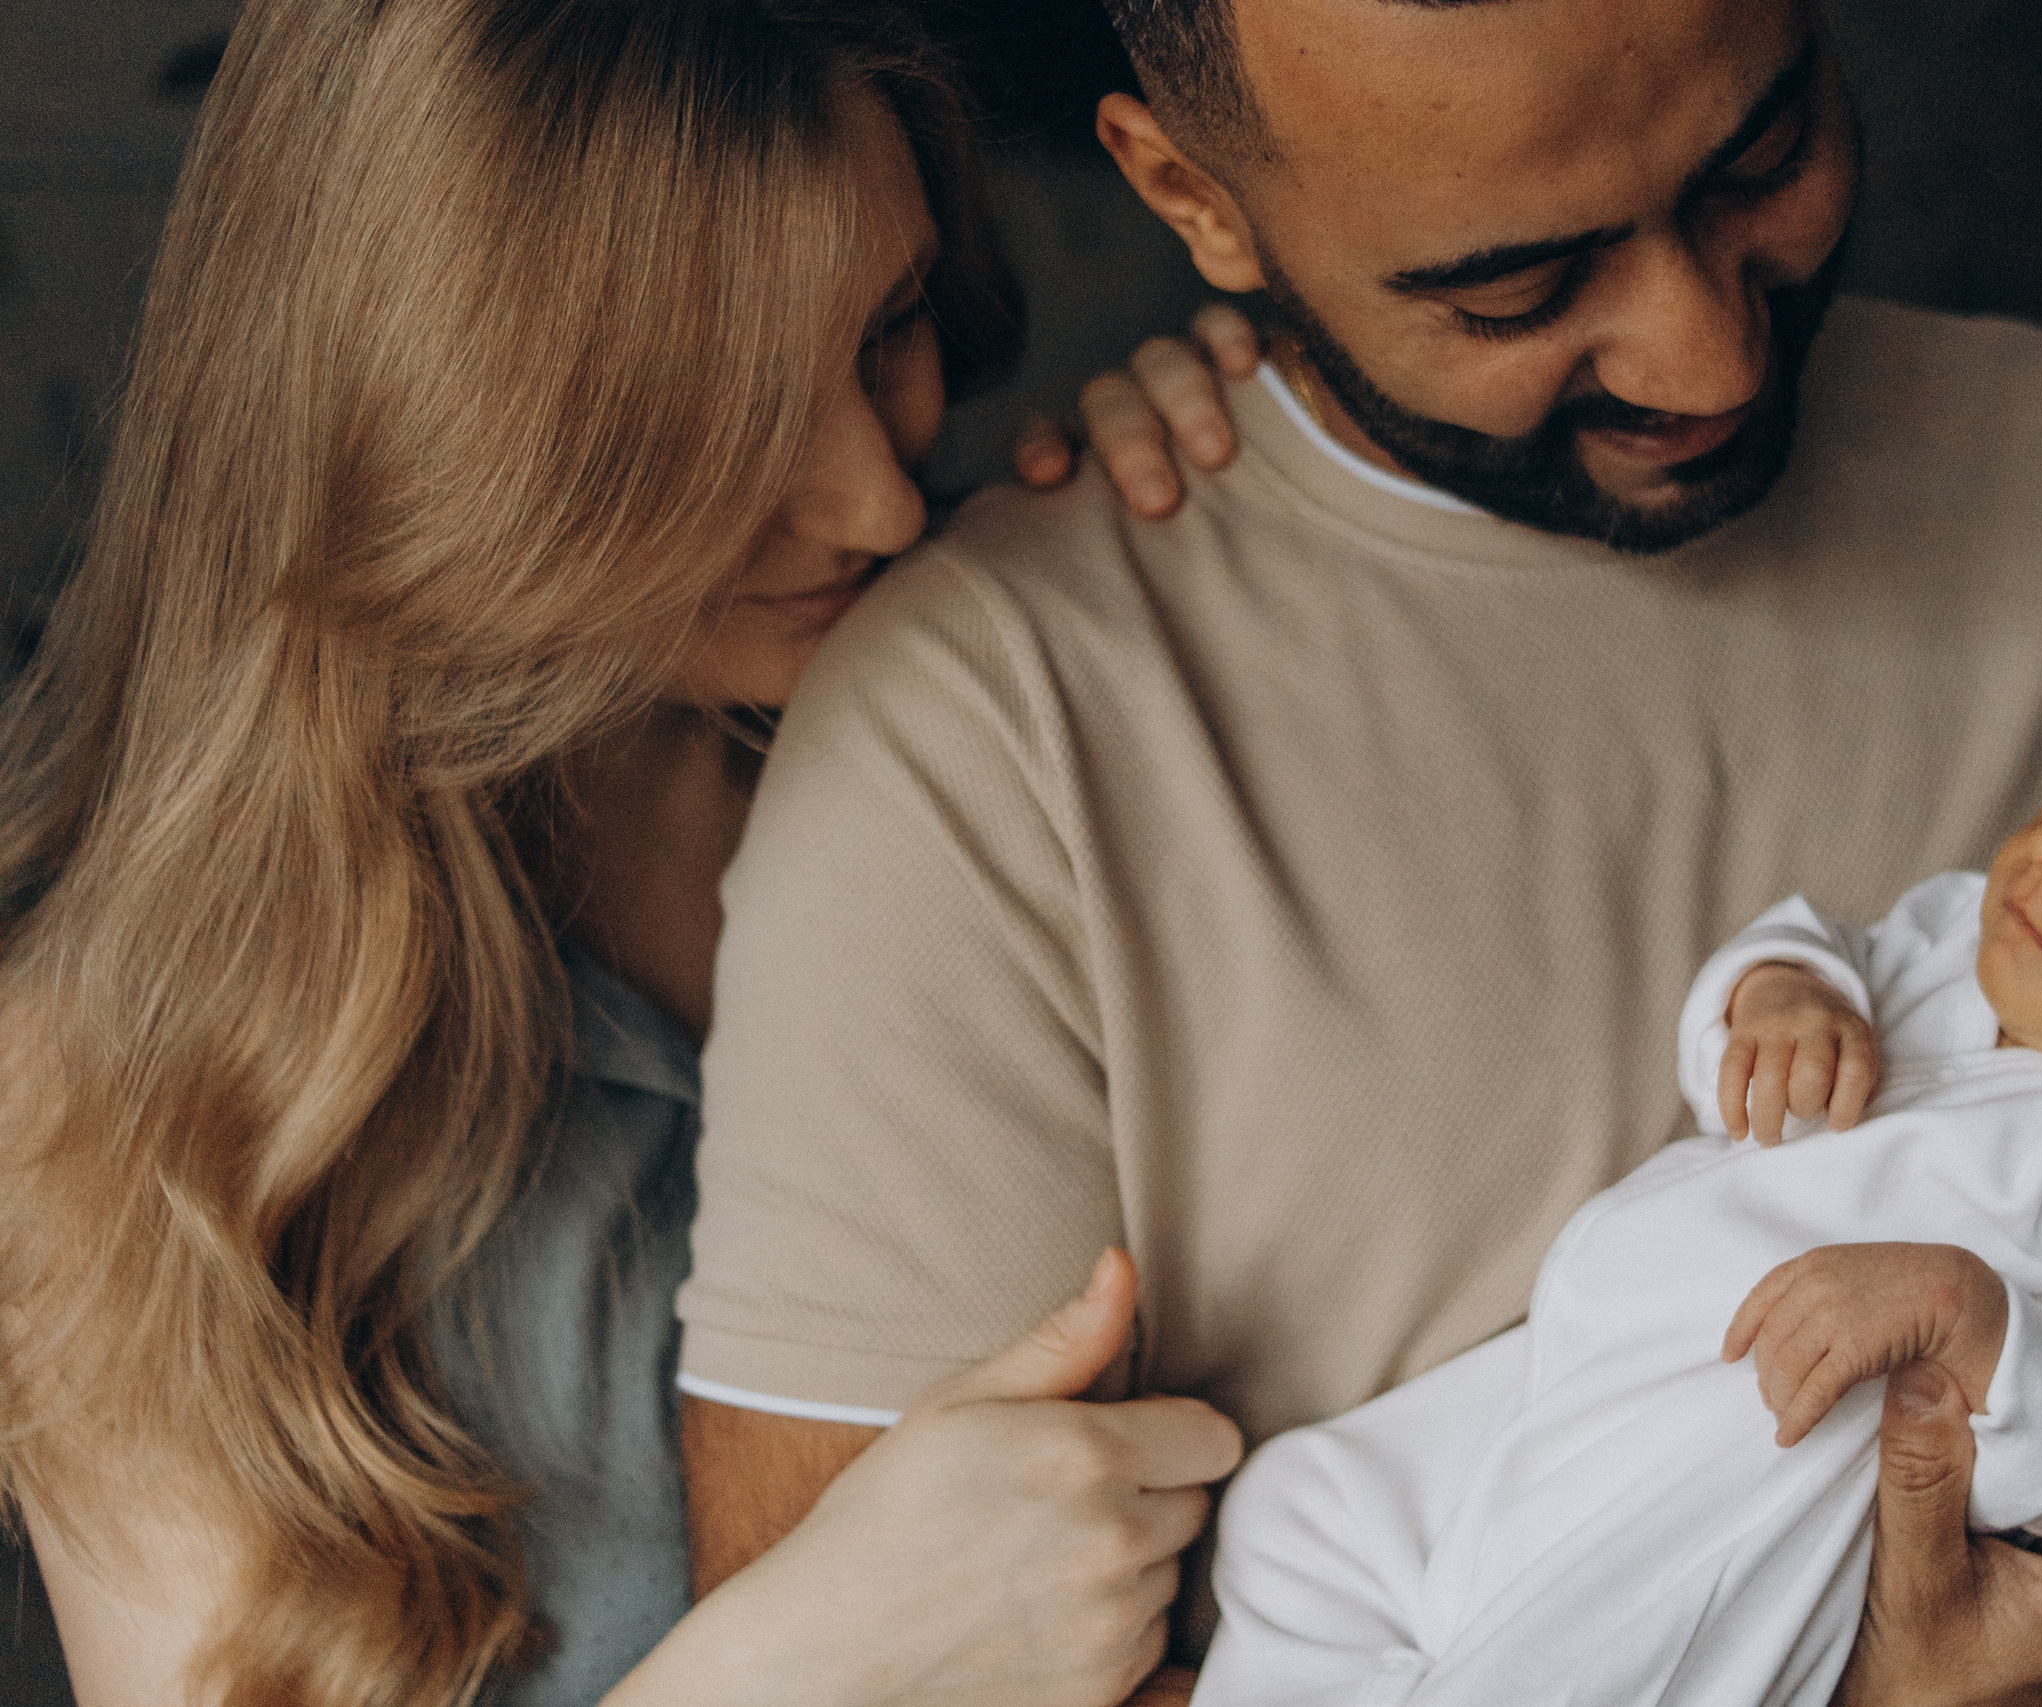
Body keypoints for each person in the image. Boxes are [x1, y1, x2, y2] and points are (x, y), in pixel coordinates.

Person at [678, 1, 2042, 1702]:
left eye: (1761, 160)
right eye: (1515, 287)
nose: (1705, 353)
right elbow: (868, 1674)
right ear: (1197, 200)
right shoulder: (977, 736)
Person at [0, 3, 1267, 1704]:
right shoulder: (101, 1114)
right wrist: (822, 1651)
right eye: (722, 419)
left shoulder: (1022, 726)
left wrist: (1246, 553)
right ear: (449, 427)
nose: (877, 500)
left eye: (886, 329)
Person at [1194, 643, 2042, 1707]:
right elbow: (1810, 945)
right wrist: (1782, 993)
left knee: (1576, 1666)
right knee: (1303, 1512)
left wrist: (1975, 1317)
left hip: (1765, 1462)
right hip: (1604, 1360)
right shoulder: (1973, 939)